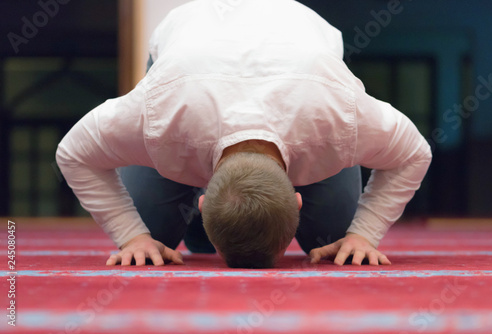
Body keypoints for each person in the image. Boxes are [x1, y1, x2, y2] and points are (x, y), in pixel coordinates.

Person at [56, 0, 432, 269]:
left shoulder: (338, 113)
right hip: (186, 56)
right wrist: (132, 236)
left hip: (308, 57)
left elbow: (415, 153)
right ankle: (203, 231)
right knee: (151, 238)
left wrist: (363, 235)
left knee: (335, 240)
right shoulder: (158, 112)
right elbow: (73, 153)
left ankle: (213, 232)